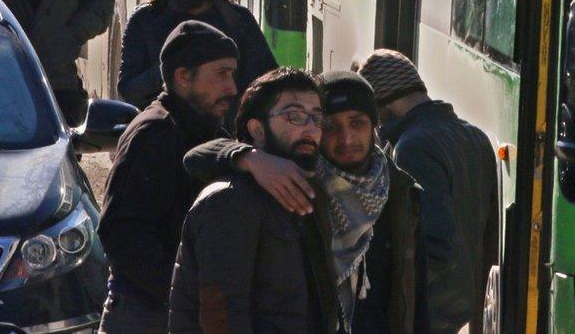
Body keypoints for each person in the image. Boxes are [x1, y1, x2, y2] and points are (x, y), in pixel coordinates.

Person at [184, 71, 429, 333]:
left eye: (357, 123)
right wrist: (248, 157)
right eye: (331, 127)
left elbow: (416, 297)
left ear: (374, 127)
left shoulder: (401, 193)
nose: (346, 139)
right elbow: (195, 158)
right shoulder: (295, 181)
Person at [96, 21, 239, 333]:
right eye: (221, 74)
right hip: (146, 315)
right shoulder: (156, 132)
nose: (232, 87)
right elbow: (122, 233)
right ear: (183, 78)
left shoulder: (205, 129)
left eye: (232, 74)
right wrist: (182, 294)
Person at [169, 68, 337, 333]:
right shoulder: (230, 201)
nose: (310, 129)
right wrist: (246, 157)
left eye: (316, 118)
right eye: (295, 116)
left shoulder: (309, 191)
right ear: (257, 128)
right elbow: (221, 317)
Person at [358, 48, 498, 333]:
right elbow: (490, 235)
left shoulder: (413, 147)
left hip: (429, 312)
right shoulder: (475, 136)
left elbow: (432, 244)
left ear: (383, 108)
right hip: (464, 304)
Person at [117, 0, 276, 126]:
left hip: (224, 143)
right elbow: (128, 91)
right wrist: (172, 69)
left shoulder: (237, 20)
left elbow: (268, 87)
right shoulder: (145, 20)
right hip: (164, 138)